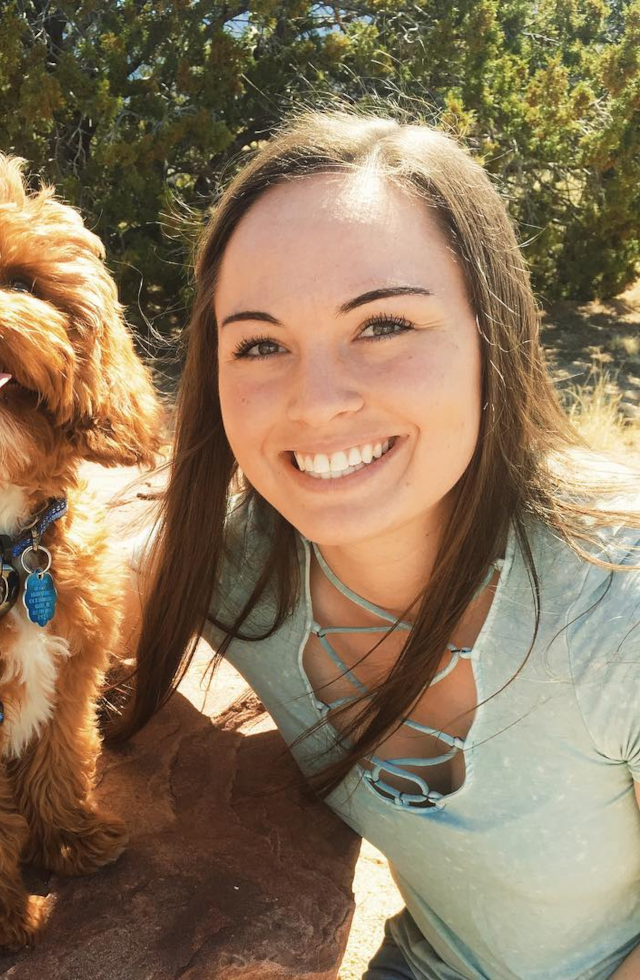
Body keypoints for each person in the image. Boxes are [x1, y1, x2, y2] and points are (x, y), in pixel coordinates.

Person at [111, 109, 640, 979]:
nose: (316, 402)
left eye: (384, 325)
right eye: (260, 343)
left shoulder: (611, 593)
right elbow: (30, 619)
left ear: (490, 332)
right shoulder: (234, 565)